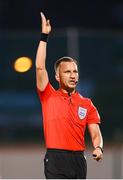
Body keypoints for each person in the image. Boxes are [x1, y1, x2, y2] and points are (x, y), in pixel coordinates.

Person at [36, 12, 103, 179]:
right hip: (55, 159)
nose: (73, 75)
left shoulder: (87, 103)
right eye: (67, 72)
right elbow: (39, 67)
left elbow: (95, 131)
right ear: (58, 77)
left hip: (79, 160)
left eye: (75, 71)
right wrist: (44, 36)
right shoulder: (48, 95)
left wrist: (98, 147)